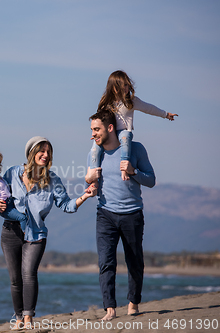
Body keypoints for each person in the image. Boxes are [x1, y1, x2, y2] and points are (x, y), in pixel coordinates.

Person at [0, 137, 97, 330]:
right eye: (41, 151)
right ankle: (18, 318)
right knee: (15, 278)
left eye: (48, 151)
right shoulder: (12, 173)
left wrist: (85, 195)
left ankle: (28, 319)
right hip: (10, 231)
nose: (45, 155)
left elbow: (67, 205)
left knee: (28, 273)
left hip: (36, 234)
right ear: (31, 153)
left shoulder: (53, 180)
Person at [85, 110, 156, 321]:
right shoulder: (94, 154)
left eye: (96, 129)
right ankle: (110, 309)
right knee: (106, 262)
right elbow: (91, 184)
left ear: (109, 128)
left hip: (132, 213)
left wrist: (133, 171)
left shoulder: (136, 149)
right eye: (91, 130)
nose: (93, 135)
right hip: (105, 213)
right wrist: (88, 182)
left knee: (134, 260)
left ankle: (133, 304)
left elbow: (151, 180)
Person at [89, 70, 177, 182]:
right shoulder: (106, 102)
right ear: (114, 88)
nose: (125, 88)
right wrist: (97, 134)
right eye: (122, 85)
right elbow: (99, 120)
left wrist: (165, 114)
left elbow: (148, 108)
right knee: (94, 149)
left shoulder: (131, 101)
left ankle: (124, 167)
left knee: (126, 138)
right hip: (108, 132)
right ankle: (93, 174)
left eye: (126, 84)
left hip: (123, 130)